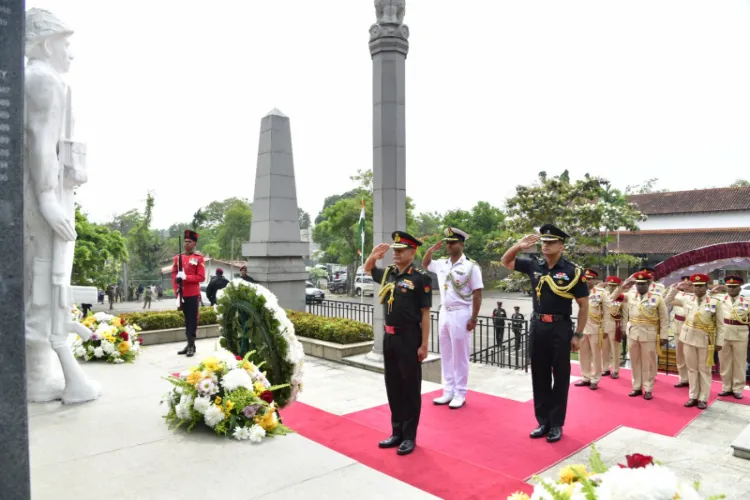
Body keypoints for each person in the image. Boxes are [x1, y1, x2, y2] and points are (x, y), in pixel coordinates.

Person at [500, 224, 589, 443]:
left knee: (560, 376)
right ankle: (543, 421)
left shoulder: (573, 271)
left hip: (560, 327)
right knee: (539, 374)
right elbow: (506, 261)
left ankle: (556, 423)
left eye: (550, 242)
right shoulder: (534, 265)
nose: (546, 246)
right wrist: (518, 246)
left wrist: (578, 335)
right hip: (538, 326)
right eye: (544, 242)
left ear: (561, 245)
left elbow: (583, 305)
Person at [366, 231, 432, 456]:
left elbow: (425, 314)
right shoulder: (389, 274)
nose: (395, 253)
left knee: (410, 388)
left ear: (412, 252)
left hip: (409, 338)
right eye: (394, 250)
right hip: (390, 337)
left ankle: (409, 436)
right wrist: (373, 256)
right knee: (393, 385)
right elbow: (368, 269)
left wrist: (424, 345)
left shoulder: (421, 277)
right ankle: (396, 432)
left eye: (400, 250)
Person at [423, 227, 483, 409]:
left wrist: (474, 317)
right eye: (447, 242)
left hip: (461, 312)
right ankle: (448, 390)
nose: (449, 245)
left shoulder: (471, 266)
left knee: (460, 355)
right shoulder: (442, 263)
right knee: (446, 353)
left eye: (453, 242)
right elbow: (425, 265)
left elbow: (478, 293)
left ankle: (460, 392)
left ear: (461, 244)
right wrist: (429, 251)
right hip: (445, 311)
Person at [665, 274, 722, 409]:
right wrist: (676, 288)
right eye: (695, 286)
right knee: (692, 369)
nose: (697, 289)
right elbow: (666, 300)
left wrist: (719, 341)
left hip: (705, 339)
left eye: (700, 286)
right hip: (688, 337)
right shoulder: (687, 299)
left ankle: (703, 398)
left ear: (706, 287)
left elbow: (721, 325)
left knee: (704, 369)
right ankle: (693, 396)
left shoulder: (714, 302)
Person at [610, 272, 669, 400]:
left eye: (642, 284)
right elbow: (612, 298)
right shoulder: (630, 296)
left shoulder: (657, 297)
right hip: (634, 333)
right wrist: (623, 285)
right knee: (635, 361)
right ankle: (636, 387)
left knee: (648, 362)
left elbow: (664, 319)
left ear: (648, 284)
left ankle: (648, 388)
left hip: (649, 333)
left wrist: (664, 335)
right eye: (638, 284)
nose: (640, 286)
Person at [172, 230, 206, 358]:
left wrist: (186, 277)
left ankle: (191, 345)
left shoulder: (198, 259)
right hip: (182, 293)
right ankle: (189, 344)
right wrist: (177, 286)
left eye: (189, 242)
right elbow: (174, 274)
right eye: (185, 241)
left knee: (192, 320)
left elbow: (201, 277)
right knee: (186, 321)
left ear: (194, 244)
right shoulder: (178, 258)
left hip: (192, 294)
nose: (186, 244)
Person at [715, 276, 749, 399]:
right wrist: (714, 290)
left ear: (740, 287)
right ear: (726, 287)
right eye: (729, 287)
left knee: (739, 363)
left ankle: (738, 389)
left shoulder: (747, 302)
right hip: (724, 334)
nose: (732, 289)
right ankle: (726, 387)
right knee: (724, 363)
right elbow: (706, 299)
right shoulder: (720, 299)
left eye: (735, 287)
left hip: (740, 334)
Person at [576, 269, 608, 390]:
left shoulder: (601, 293)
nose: (587, 281)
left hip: (596, 329)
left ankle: (595, 379)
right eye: (585, 279)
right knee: (583, 354)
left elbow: (607, 312)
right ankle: (585, 377)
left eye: (590, 279)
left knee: (596, 355)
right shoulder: (579, 292)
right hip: (583, 329)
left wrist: (605, 329)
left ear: (594, 280)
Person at [601, 276, 625, 379]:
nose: (611, 287)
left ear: (617, 287)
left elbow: (624, 313)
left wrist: (623, 328)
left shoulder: (621, 297)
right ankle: (605, 368)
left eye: (614, 285)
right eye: (610, 285)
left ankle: (615, 370)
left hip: (615, 325)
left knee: (615, 349)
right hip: (603, 324)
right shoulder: (603, 296)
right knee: (604, 348)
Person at [670, 275, 692, 388]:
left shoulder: (696, 296)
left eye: (689, 284)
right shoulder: (677, 295)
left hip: (691, 327)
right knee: (680, 354)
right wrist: (675, 288)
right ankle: (683, 378)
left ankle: (693, 378)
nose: (686, 286)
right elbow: (667, 300)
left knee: (691, 354)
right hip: (678, 325)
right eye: (684, 283)